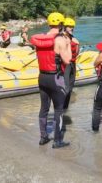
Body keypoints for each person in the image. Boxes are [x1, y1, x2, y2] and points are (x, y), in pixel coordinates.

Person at [30, 12, 72, 149]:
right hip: (56, 77)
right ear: (61, 24)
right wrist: (69, 44)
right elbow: (67, 60)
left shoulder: (41, 39)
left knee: (44, 109)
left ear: (49, 24)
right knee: (58, 110)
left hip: (42, 77)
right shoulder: (61, 40)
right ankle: (57, 141)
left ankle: (43, 137)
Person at [63, 17, 80, 110]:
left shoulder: (74, 38)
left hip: (73, 64)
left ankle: (65, 108)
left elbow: (76, 53)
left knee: (71, 86)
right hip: (65, 65)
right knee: (66, 87)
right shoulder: (61, 37)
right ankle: (60, 107)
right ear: (64, 27)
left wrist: (78, 44)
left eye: (72, 27)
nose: (71, 28)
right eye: (69, 27)